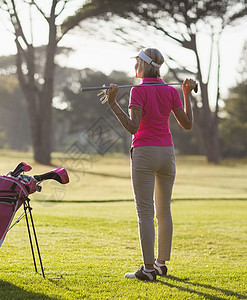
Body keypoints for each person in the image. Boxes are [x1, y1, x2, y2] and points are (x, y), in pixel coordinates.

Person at [105, 48, 196, 281]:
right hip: (167, 153)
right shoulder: (171, 91)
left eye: (136, 63)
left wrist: (113, 104)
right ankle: (160, 265)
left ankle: (147, 270)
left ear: (142, 66)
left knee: (145, 211)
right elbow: (187, 124)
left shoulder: (138, 90)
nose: (134, 67)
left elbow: (133, 127)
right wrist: (186, 94)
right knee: (163, 211)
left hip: (145, 152)